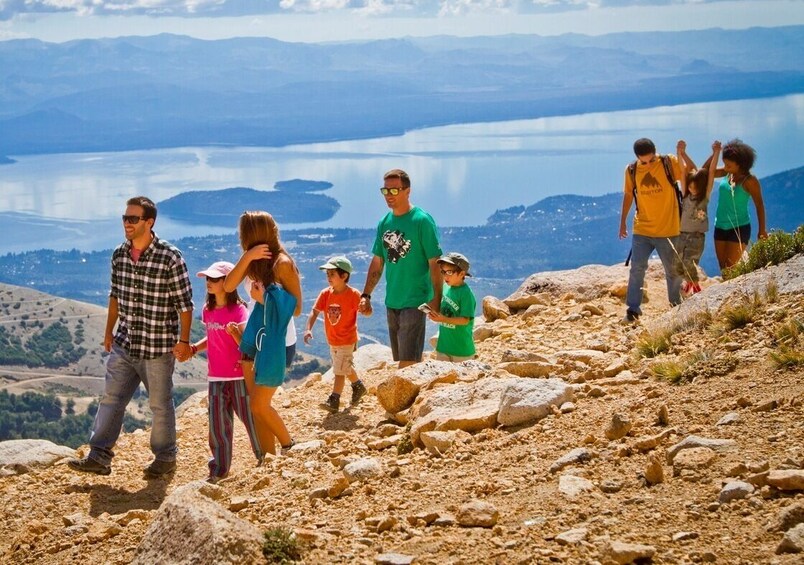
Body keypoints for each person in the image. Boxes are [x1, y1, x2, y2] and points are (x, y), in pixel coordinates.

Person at [68, 196, 193, 477]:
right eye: (125, 218)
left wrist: (183, 341)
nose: (127, 223)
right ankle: (99, 456)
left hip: (157, 347)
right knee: (111, 399)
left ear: (149, 222)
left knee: (160, 404)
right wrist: (108, 331)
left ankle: (165, 457)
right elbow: (115, 296)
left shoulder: (170, 257)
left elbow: (185, 305)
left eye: (133, 219)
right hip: (125, 343)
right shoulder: (119, 255)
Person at [223, 211, 301, 457]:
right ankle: (268, 458)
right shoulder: (254, 261)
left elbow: (297, 309)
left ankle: (290, 446)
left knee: (259, 404)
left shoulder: (283, 264)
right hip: (256, 341)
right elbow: (228, 285)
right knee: (255, 407)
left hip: (277, 343)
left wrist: (262, 300)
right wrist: (247, 257)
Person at [359, 169, 443, 368]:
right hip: (393, 300)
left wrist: (437, 298)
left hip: (416, 300)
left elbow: (435, 262)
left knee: (407, 362)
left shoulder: (422, 221)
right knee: (407, 359)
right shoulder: (384, 223)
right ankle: (418, 395)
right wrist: (366, 295)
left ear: (408, 191)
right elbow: (378, 261)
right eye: (385, 191)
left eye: (394, 191)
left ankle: (403, 399)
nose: (389, 195)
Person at [187, 261, 262, 483]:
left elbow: (246, 345)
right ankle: (219, 470)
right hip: (216, 377)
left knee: (251, 420)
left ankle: (264, 456)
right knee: (218, 426)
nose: (209, 283)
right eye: (208, 279)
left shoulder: (239, 310)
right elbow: (211, 339)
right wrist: (193, 349)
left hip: (239, 376)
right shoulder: (207, 310)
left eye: (215, 279)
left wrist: (234, 334)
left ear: (228, 282)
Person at [618, 138, 684, 323]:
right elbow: (629, 194)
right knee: (637, 268)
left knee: (672, 271)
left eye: (650, 160)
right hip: (642, 228)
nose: (647, 164)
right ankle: (633, 310)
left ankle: (676, 308)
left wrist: (682, 153)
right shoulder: (631, 170)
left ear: (656, 152)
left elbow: (689, 174)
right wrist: (623, 221)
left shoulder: (668, 162)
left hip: (669, 228)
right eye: (643, 161)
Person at [303, 255, 369, 413]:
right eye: (327, 274)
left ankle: (334, 399)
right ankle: (358, 386)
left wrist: (365, 308)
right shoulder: (325, 294)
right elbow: (315, 311)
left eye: (332, 274)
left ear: (344, 275)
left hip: (347, 339)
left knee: (339, 371)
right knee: (344, 367)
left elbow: (365, 311)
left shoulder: (353, 294)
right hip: (332, 340)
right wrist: (308, 328)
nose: (328, 277)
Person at [709, 138, 768, 271]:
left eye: (729, 165)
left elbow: (759, 205)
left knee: (731, 267)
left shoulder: (750, 181)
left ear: (740, 164)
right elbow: (708, 171)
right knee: (723, 267)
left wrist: (762, 230)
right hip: (720, 226)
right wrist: (715, 153)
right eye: (724, 164)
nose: (725, 167)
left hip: (739, 227)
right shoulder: (727, 173)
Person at [675, 139, 721, 294]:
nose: (692, 189)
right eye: (690, 186)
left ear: (701, 187)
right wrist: (680, 153)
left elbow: (711, 171)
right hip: (682, 234)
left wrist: (716, 153)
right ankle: (690, 283)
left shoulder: (704, 198)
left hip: (696, 236)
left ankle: (695, 286)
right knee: (680, 262)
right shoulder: (685, 195)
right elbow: (685, 170)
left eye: (695, 187)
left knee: (689, 261)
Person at [426, 252, 476, 362]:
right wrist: (433, 312)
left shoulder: (466, 294)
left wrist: (443, 319)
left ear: (462, 274)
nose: (445, 276)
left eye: (449, 272)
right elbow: (443, 309)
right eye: (443, 272)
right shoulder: (446, 287)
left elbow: (465, 320)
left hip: (462, 351)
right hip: (443, 348)